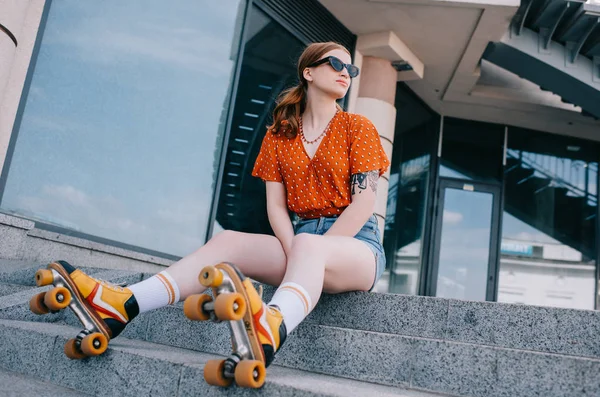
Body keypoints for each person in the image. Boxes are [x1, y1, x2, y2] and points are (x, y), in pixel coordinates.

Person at [38, 41, 389, 367]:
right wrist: (295, 248)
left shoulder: (358, 127)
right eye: (336, 63)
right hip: (299, 241)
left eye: (351, 68)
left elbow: (363, 204)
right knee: (228, 241)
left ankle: (271, 326)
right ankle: (123, 304)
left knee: (310, 245)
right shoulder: (279, 135)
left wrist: (308, 249)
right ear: (308, 72)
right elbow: (276, 208)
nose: (346, 71)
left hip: (357, 246)